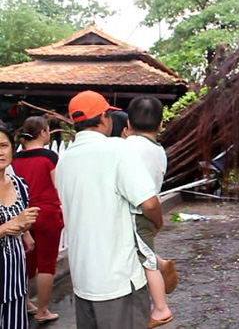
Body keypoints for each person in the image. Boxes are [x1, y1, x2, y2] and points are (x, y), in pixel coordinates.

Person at [56, 90, 163, 329]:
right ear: (104, 118)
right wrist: (158, 222)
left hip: (83, 279)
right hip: (118, 279)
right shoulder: (117, 150)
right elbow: (150, 202)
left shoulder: (65, 161)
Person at [126, 96, 176, 328]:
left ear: (128, 123)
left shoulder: (127, 146)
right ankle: (161, 262)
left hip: (136, 212)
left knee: (146, 260)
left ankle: (161, 308)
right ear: (160, 125)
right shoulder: (158, 150)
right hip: (146, 211)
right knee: (144, 250)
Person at [12, 117, 63, 323]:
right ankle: (42, 309)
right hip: (47, 212)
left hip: (24, 214)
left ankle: (24, 302)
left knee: (27, 261)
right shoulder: (49, 157)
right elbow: (57, 184)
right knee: (46, 263)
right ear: (43, 132)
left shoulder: (15, 159)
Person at [0, 124, 39, 329]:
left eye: (4, 145)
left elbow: (21, 225)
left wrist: (24, 228)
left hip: (15, 281)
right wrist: (9, 225)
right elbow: (11, 224)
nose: (0, 152)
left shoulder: (19, 185)